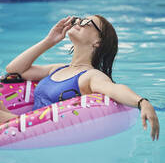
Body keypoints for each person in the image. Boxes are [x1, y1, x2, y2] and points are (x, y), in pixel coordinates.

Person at [0, 15, 159, 141]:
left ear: (98, 42)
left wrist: (141, 102)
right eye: (80, 20)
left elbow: (113, 88)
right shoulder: (57, 69)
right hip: (17, 124)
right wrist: (50, 41)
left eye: (87, 22)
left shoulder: (90, 75)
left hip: (34, 131)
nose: (79, 23)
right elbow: (14, 69)